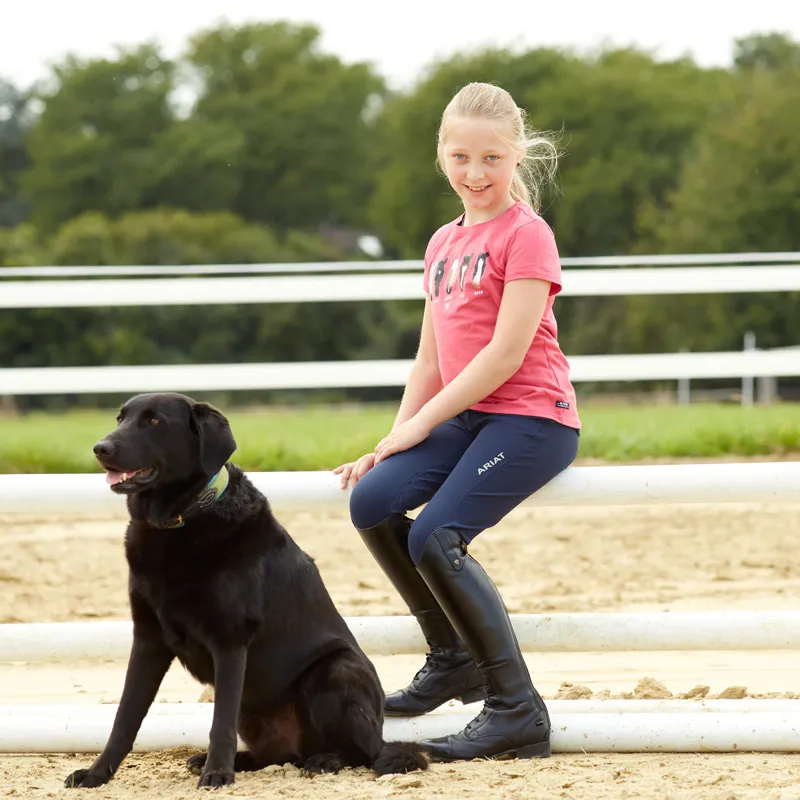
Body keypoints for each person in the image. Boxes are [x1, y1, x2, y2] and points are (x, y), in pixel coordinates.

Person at [333, 81, 581, 763]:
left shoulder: (529, 235)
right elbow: (430, 362)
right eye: (461, 157)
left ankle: (516, 710)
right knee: (373, 500)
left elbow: (504, 355)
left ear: (517, 157)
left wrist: (422, 426)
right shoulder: (443, 242)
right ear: (440, 154)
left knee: (437, 534)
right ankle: (452, 657)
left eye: (492, 159)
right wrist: (393, 438)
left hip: (532, 418)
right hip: (466, 417)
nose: (475, 174)